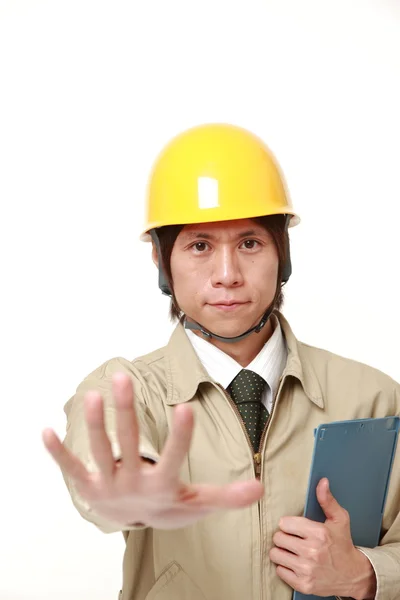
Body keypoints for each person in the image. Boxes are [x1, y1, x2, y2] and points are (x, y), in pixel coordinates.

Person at [43, 123, 400, 600]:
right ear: (160, 260)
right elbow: (105, 457)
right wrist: (125, 490)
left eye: (250, 243)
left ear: (283, 254)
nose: (227, 275)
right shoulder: (127, 389)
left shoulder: (372, 396)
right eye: (200, 246)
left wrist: (368, 573)